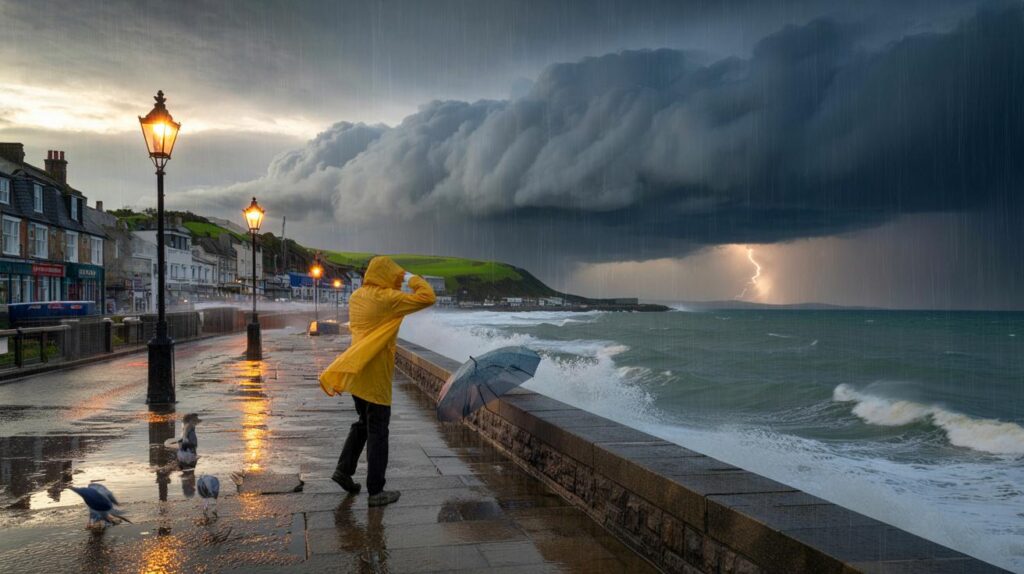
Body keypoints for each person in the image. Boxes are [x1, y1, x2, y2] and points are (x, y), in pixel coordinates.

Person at [319, 256, 435, 506]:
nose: (397, 281)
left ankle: (343, 470)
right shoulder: (388, 299)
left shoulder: (356, 296)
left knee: (363, 423)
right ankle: (376, 491)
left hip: (356, 370)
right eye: (395, 276)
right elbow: (428, 296)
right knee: (378, 432)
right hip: (376, 376)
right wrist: (409, 277)